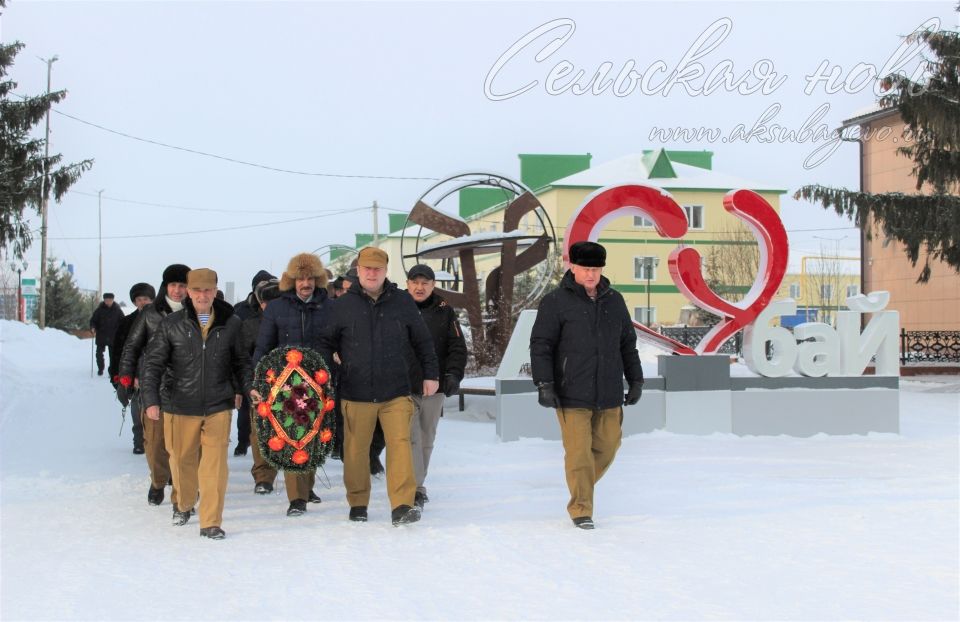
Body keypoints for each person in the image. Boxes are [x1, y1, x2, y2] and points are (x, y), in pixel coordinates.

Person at [318, 247, 439, 526]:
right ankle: (358, 502)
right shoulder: (341, 306)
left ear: (386, 271)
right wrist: (332, 367)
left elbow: (422, 341)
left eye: (377, 269)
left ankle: (402, 505)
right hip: (355, 391)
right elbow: (324, 342)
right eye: (367, 269)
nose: (372, 273)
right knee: (356, 450)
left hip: (396, 390)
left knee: (400, 447)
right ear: (358, 271)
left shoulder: (402, 302)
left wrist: (431, 374)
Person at [529, 241, 644, 530]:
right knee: (579, 453)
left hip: (608, 390)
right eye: (585, 269)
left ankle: (580, 484)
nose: (590, 275)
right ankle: (581, 509)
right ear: (573, 267)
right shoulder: (555, 302)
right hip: (571, 392)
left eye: (595, 269)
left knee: (608, 446)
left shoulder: (615, 301)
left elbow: (627, 344)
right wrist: (544, 383)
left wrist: (636, 379)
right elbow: (541, 345)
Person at [141, 268, 252, 540]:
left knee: (214, 466)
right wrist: (151, 400)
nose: (202, 295)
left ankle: (211, 521)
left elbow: (241, 362)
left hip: (217, 405)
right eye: (197, 290)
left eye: (207, 290)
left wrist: (248, 388)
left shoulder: (232, 323)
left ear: (215, 291)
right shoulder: (171, 324)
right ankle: (184, 503)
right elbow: (153, 364)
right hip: (180, 405)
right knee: (181, 461)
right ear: (188, 293)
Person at [252, 253, 330, 517]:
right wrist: (258, 380)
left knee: (314, 435)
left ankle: (307, 486)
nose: (305, 283)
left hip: (320, 383)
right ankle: (296, 497)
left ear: (317, 280)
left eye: (309, 278)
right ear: (291, 280)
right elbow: (263, 346)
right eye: (300, 278)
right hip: (286, 384)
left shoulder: (330, 307)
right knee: (292, 436)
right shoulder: (276, 308)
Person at [119, 263, 190, 508]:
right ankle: (159, 481)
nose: (178, 291)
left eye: (183, 285)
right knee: (156, 442)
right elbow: (132, 347)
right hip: (156, 386)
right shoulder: (150, 313)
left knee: (186, 442)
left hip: (187, 387)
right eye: (173, 285)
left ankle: (183, 483)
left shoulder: (197, 312)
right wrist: (125, 378)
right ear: (165, 287)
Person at [404, 264, 467, 511]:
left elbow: (457, 347)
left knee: (426, 437)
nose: (420, 288)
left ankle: (418, 485)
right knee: (410, 438)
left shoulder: (444, 311)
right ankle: (413, 487)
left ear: (433, 285)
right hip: (404, 385)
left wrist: (453, 374)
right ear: (408, 283)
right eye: (415, 282)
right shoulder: (397, 307)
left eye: (425, 283)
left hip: (435, 385)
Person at [239, 278, 281, 495]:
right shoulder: (250, 325)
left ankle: (299, 478)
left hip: (290, 385)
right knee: (260, 432)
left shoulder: (290, 320)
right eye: (266, 302)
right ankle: (264, 475)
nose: (270, 306)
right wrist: (246, 385)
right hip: (260, 385)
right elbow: (242, 358)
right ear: (260, 303)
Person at [233, 269, 276, 455]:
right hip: (251, 369)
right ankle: (243, 441)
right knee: (246, 411)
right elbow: (239, 349)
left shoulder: (282, 311)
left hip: (277, 372)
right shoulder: (242, 310)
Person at [109, 282, 156, 454]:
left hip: (155, 374)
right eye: (139, 299)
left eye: (146, 299)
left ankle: (154, 442)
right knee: (137, 410)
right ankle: (139, 440)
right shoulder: (126, 322)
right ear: (135, 302)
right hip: (133, 374)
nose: (143, 302)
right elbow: (118, 351)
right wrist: (117, 375)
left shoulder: (161, 320)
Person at [90, 293, 124, 376]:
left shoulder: (118, 310)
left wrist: (122, 332)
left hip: (113, 336)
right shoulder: (99, 310)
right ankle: (100, 368)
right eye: (106, 300)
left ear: (113, 300)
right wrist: (93, 327)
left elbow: (123, 322)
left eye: (109, 300)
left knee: (113, 356)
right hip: (101, 335)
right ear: (104, 300)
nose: (108, 302)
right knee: (99, 354)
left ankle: (111, 371)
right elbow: (93, 320)